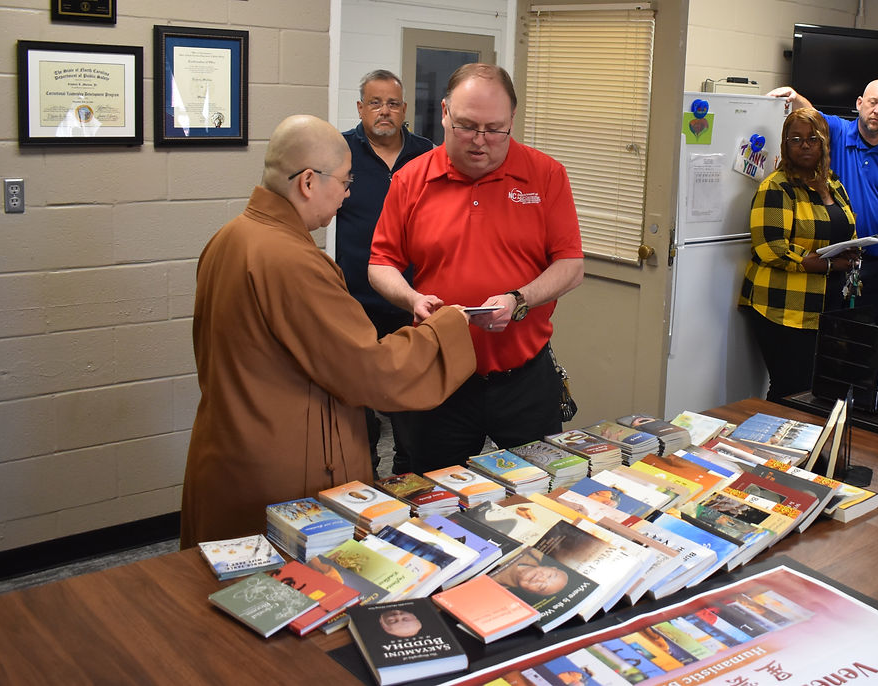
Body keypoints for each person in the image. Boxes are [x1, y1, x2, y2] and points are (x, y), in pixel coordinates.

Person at [179, 115, 476, 549]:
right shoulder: (292, 260)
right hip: (282, 470)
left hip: (230, 452)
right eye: (345, 181)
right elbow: (367, 369)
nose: (348, 193)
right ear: (307, 182)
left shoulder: (230, 237)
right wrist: (447, 327)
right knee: (291, 583)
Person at [369, 63, 584, 473]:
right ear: (444, 113)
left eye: (494, 129)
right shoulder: (411, 179)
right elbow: (380, 263)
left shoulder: (546, 175)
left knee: (543, 489)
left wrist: (519, 299)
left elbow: (571, 265)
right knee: (434, 492)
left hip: (524, 378)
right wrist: (412, 299)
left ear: (511, 120)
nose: (480, 141)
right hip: (439, 374)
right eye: (467, 126)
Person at [335, 70, 434, 475]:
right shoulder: (339, 152)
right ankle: (366, 476)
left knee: (411, 410)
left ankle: (409, 479)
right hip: (354, 304)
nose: (384, 111)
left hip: (412, 303)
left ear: (404, 109)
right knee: (358, 412)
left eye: (392, 103)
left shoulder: (427, 154)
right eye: (375, 103)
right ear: (360, 108)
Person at [768, 80, 878, 326]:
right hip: (838, 263)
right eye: (873, 102)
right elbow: (812, 115)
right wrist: (794, 95)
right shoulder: (838, 132)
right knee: (835, 334)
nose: (877, 110)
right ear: (859, 103)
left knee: (875, 336)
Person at [738, 108, 859, 403]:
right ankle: (773, 435)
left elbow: (847, 230)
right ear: (785, 145)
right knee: (791, 388)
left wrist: (853, 250)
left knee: (817, 389)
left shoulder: (834, 184)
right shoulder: (776, 187)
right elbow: (771, 247)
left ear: (824, 143)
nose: (805, 145)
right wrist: (828, 264)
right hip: (782, 305)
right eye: (796, 139)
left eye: (812, 139)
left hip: (827, 306)